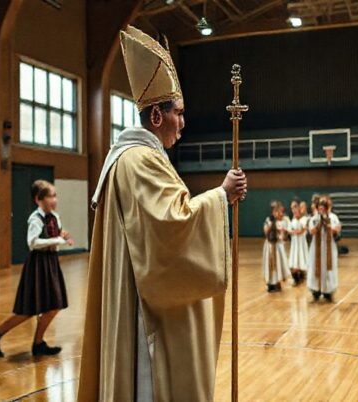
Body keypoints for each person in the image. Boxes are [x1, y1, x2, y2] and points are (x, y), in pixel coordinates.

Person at [78, 26, 247, 402]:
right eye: (179, 114)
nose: (183, 125)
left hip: (134, 292)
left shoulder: (134, 157)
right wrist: (221, 195)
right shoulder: (140, 160)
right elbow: (172, 226)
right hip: (143, 313)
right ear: (157, 114)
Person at [0, 180, 73, 358]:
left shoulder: (55, 216)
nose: (54, 199)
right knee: (29, 309)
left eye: (55, 195)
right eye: (49, 196)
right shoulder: (35, 218)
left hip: (51, 263)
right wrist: (57, 240)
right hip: (38, 265)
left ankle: (37, 342)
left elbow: (54, 235)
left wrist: (61, 235)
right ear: (38, 200)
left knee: (53, 305)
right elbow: (32, 243)